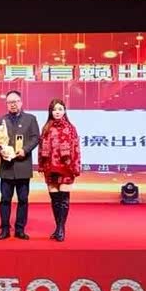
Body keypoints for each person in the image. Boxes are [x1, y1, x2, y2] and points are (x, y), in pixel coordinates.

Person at [0, 90, 40, 240]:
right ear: (6, 104)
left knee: (23, 200)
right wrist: (1, 152)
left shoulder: (30, 119)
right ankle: (5, 229)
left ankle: (20, 229)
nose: (12, 104)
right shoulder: (2, 120)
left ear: (21, 102)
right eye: (9, 102)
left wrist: (25, 150)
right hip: (7, 166)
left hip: (23, 165)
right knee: (5, 200)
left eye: (15, 101)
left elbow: (35, 138)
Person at [38, 99, 81, 242]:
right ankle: (58, 227)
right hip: (50, 167)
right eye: (54, 109)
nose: (57, 112)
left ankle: (61, 229)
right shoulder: (46, 128)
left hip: (66, 167)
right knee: (55, 200)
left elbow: (76, 148)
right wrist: (41, 165)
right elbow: (40, 149)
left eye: (60, 109)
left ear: (64, 111)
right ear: (50, 112)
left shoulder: (70, 128)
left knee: (63, 199)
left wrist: (76, 166)